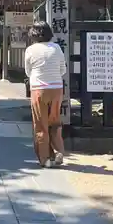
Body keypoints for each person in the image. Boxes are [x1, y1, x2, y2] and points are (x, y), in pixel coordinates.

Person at [25, 21, 66, 168]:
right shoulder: (57, 48)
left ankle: (45, 159)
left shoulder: (30, 50)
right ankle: (59, 150)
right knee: (54, 121)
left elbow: (28, 72)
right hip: (56, 89)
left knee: (40, 124)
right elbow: (63, 70)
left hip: (38, 89)